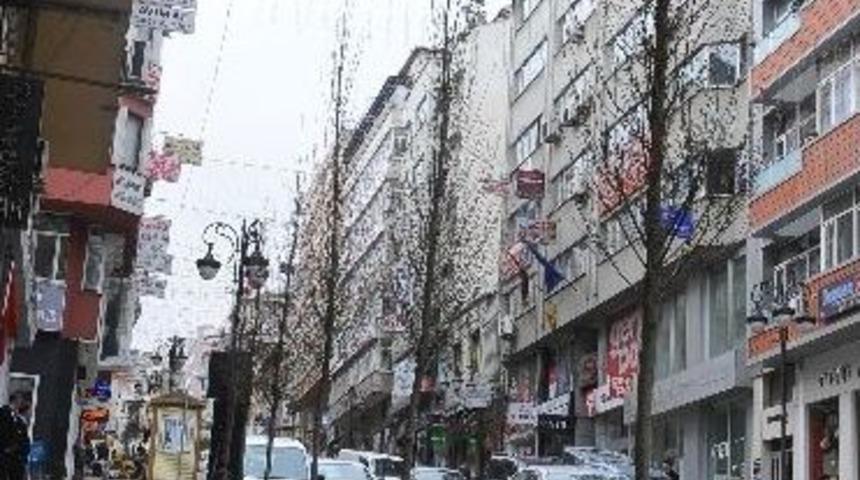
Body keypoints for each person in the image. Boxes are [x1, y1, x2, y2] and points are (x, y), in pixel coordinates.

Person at [0, 393, 32, 480]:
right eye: (20, 400)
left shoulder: (19, 421)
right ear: (14, 401)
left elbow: (23, 440)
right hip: (4, 458)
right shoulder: (3, 414)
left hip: (15, 461)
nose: (22, 403)